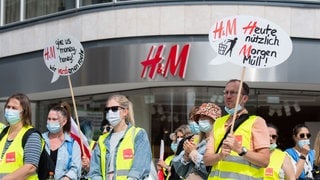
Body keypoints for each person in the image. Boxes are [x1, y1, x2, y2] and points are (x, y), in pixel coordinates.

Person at [203, 79, 270, 179]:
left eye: (233, 93)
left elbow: (264, 160)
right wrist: (220, 155)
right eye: (226, 92)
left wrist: (239, 149)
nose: (228, 96)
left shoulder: (256, 122)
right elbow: (206, 160)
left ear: (245, 98)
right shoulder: (218, 122)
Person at [89, 94, 152, 179]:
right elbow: (94, 172)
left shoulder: (138, 134)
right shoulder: (102, 140)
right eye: (107, 109)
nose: (110, 113)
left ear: (125, 112)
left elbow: (139, 169)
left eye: (114, 109)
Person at [171, 102, 221, 179]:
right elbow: (180, 171)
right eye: (199, 117)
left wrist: (193, 153)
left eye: (204, 117)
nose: (201, 120)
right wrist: (186, 156)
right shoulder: (196, 141)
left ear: (214, 120)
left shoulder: (218, 142)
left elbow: (211, 168)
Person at [0, 93, 42, 179]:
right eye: (8, 107)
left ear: (24, 112)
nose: (9, 110)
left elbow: (30, 168)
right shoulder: (3, 133)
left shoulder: (32, 135)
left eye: (14, 108)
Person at [42, 102, 82, 179]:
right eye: (49, 119)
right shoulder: (40, 139)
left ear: (64, 121)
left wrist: (66, 178)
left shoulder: (72, 144)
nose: (50, 122)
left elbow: (75, 168)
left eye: (54, 119)